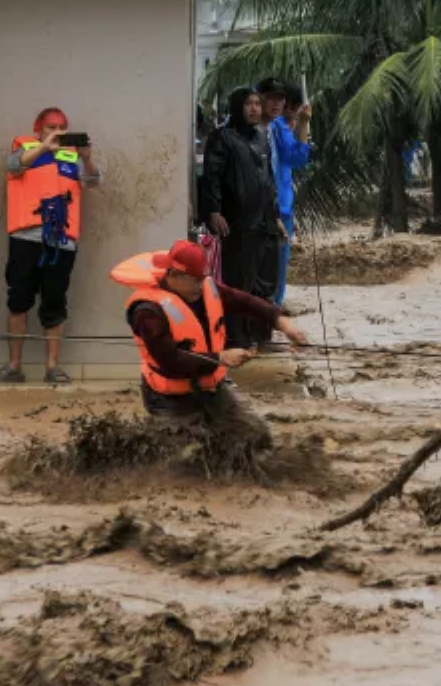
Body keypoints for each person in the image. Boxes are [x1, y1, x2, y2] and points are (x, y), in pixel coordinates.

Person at [111, 240, 308, 432]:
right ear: (175, 275)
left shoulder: (204, 288)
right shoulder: (147, 312)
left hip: (210, 387)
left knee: (254, 433)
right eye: (196, 280)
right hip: (169, 398)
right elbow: (170, 361)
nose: (201, 285)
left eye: (203, 278)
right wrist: (221, 358)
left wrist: (282, 322)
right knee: (190, 454)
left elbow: (245, 301)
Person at [0, 107, 101, 385]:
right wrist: (43, 147)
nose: (57, 132)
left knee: (54, 303)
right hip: (25, 238)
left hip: (60, 241)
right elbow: (13, 167)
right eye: (51, 127)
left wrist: (87, 159)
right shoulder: (24, 149)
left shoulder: (71, 156)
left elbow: (94, 181)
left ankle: (52, 366)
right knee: (18, 301)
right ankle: (14, 366)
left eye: (62, 127)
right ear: (38, 129)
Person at [199, 87, 280, 349]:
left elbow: (268, 180)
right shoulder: (221, 137)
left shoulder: (261, 137)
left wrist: (275, 215)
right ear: (237, 107)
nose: (255, 108)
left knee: (266, 282)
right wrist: (213, 210)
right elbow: (211, 176)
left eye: (258, 103)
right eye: (249, 104)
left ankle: (262, 337)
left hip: (265, 222)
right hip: (238, 222)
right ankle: (237, 339)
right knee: (239, 284)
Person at [256, 79, 313, 306]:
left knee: (275, 270)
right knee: (274, 272)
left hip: (281, 207)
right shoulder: (277, 126)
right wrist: (303, 125)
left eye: (280, 99)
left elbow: (295, 158)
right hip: (273, 208)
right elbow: (296, 157)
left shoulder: (276, 127)